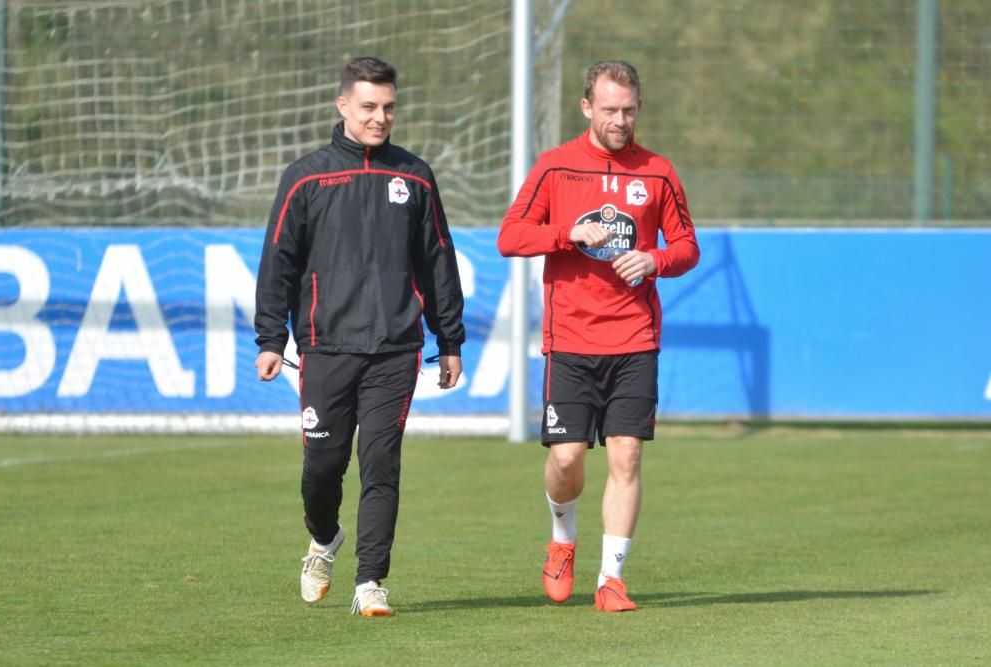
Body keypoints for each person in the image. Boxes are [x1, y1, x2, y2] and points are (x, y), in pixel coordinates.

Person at [254, 56, 466, 617]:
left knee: (381, 464)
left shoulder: (415, 175)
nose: (380, 118)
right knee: (322, 468)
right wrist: (271, 339)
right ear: (343, 105)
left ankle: (371, 582)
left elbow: (438, 262)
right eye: (369, 106)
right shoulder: (306, 177)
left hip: (397, 349)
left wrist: (449, 341)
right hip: (325, 346)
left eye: (389, 107)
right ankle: (323, 539)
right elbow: (278, 261)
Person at [497, 60, 699, 612]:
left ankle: (611, 580)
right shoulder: (556, 168)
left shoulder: (658, 172)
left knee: (627, 455)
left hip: (635, 337)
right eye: (609, 110)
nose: (620, 120)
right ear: (586, 107)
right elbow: (510, 237)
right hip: (571, 340)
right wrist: (567, 234)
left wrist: (654, 259)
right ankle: (562, 539)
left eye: (629, 110)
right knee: (565, 460)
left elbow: (687, 246)